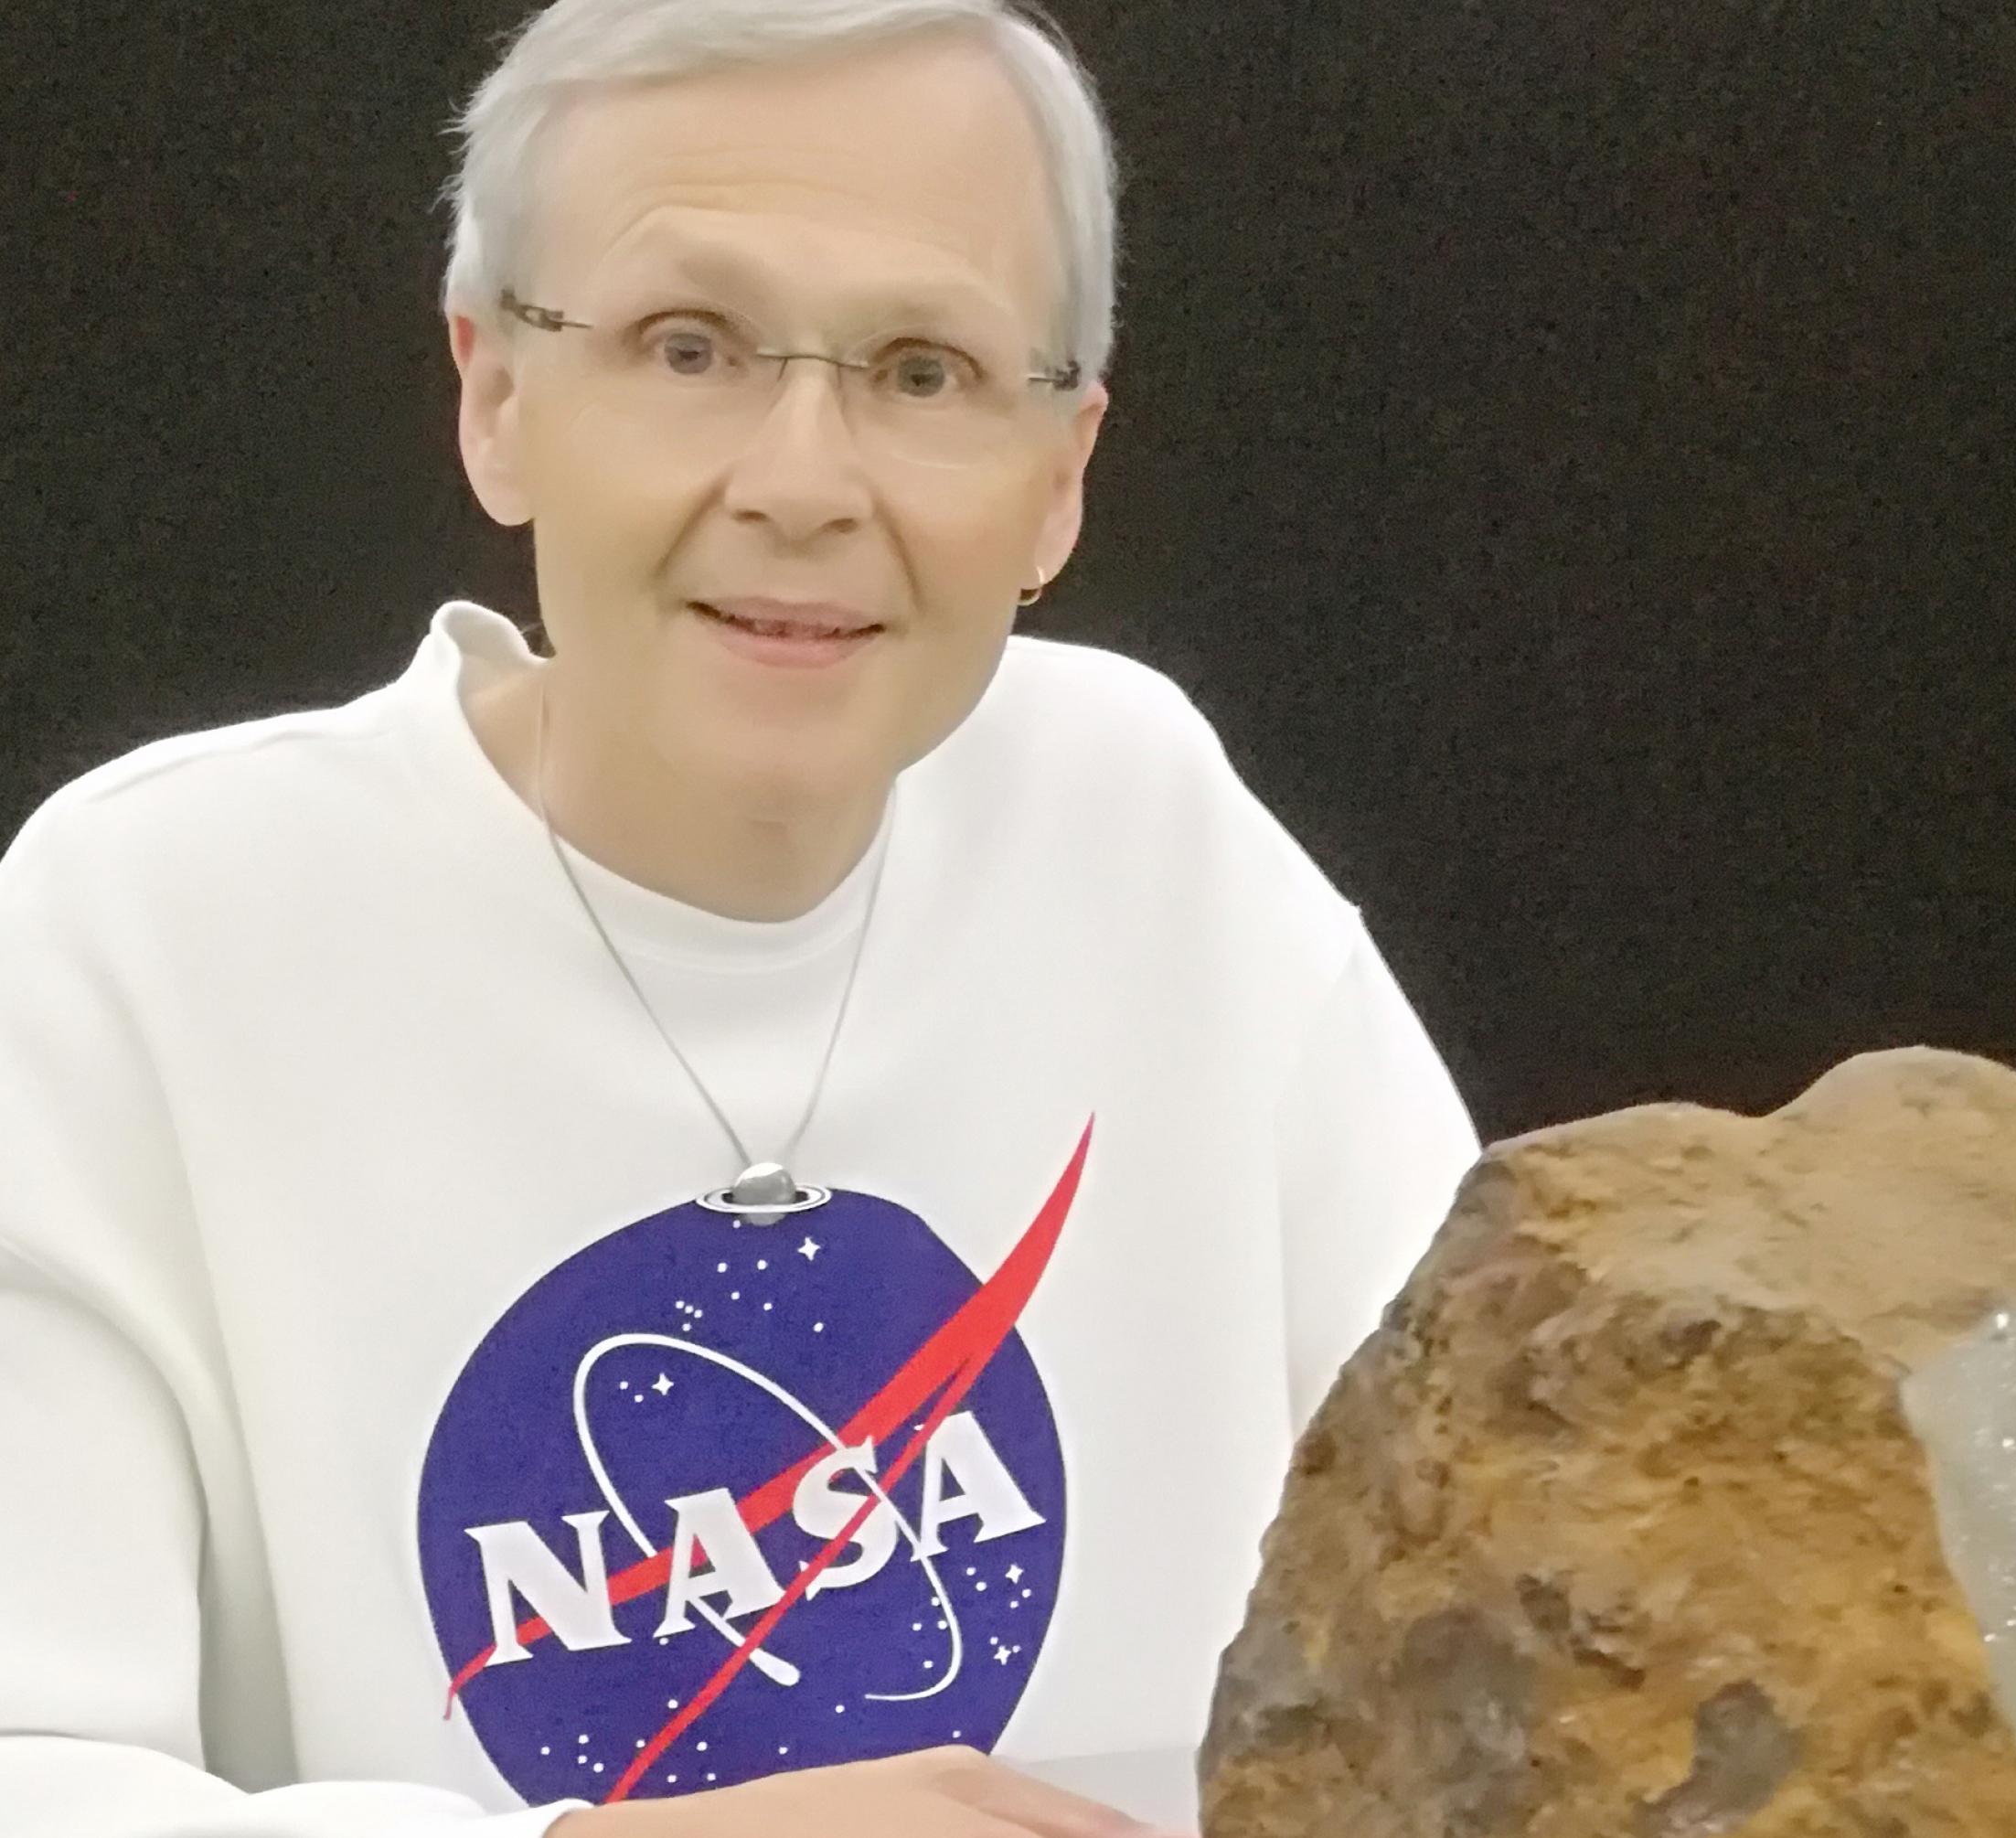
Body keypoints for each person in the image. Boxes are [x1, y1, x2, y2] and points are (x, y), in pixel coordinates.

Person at [0, 3, 1480, 1834]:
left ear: (1062, 473)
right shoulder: (147, 938)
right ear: (495, 395)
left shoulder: (1147, 827)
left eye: (923, 371)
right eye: (686, 346)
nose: (798, 481)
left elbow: (1545, 1505)